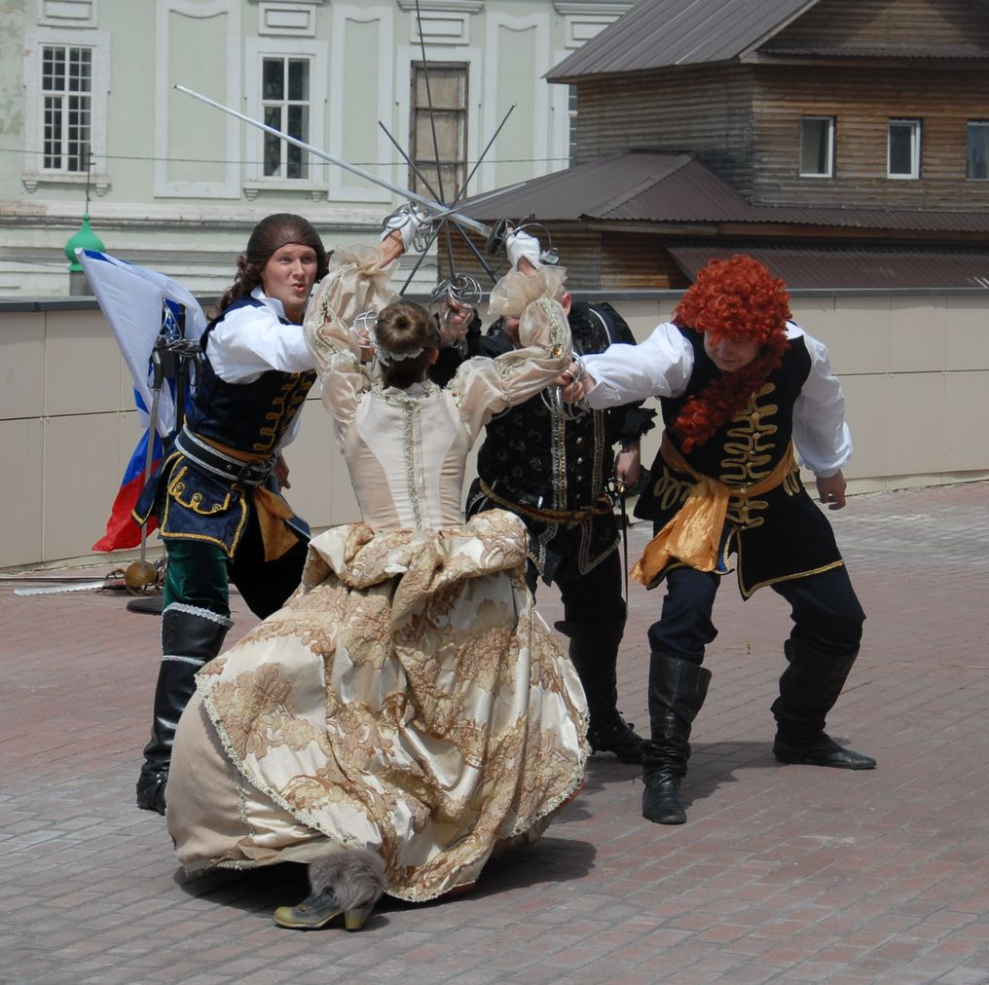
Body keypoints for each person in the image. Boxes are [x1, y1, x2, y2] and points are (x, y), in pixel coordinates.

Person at [163, 226, 588, 927]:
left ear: (376, 351)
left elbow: (325, 321)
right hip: (466, 582)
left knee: (289, 694)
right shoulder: (465, 394)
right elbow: (549, 354)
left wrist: (386, 250)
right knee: (449, 718)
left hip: (383, 574)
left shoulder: (350, 397)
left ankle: (350, 841)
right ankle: (427, 834)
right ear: (434, 353)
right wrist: (524, 267)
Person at [560, 254, 876, 825]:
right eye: (715, 332)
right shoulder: (681, 347)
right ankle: (664, 766)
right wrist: (584, 377)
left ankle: (801, 731)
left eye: (739, 338)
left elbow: (823, 404)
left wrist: (830, 467)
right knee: (685, 618)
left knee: (838, 618)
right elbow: (636, 367)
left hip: (774, 496)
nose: (722, 347)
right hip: (694, 499)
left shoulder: (801, 349)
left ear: (766, 335)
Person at [133, 213, 404, 815]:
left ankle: (309, 744)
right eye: (286, 260)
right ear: (260, 268)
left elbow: (289, 390)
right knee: (198, 618)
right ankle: (160, 768)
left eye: (308, 260)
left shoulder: (299, 320)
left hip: (253, 496)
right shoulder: (244, 325)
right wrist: (369, 276)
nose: (299, 271)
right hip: (199, 492)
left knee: (315, 606)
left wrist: (273, 450)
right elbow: (293, 353)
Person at [432, 227, 653, 764]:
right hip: (511, 513)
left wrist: (630, 445)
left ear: (565, 304)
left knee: (603, 619)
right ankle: (496, 741)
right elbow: (443, 387)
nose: (519, 326)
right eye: (511, 317)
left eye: (531, 313)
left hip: (588, 513)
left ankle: (601, 722)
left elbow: (633, 384)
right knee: (499, 629)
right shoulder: (491, 349)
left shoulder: (603, 325)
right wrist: (448, 341)